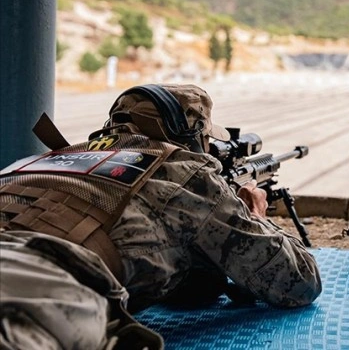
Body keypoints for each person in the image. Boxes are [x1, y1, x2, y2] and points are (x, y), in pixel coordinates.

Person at [0, 83, 322, 349]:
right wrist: (256, 214)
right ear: (190, 137)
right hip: (34, 286)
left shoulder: (48, 159)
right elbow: (299, 283)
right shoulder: (187, 175)